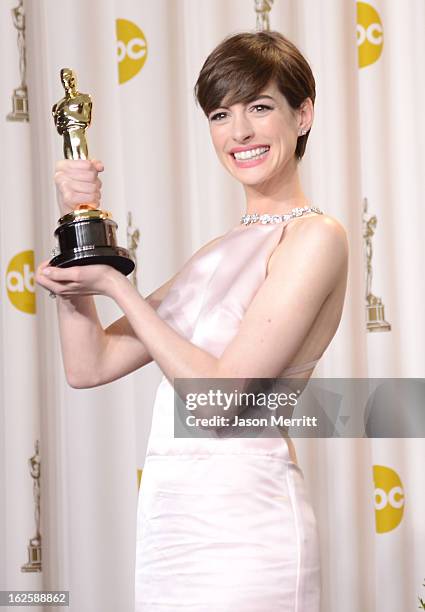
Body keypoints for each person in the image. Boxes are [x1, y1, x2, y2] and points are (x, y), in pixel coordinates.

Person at [36, 30, 348, 611]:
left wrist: (117, 287)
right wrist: (75, 243)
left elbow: (221, 400)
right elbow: (89, 365)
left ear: (302, 115)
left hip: (248, 529)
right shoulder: (215, 252)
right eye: (221, 114)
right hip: (170, 524)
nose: (240, 133)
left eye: (260, 107)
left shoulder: (316, 237)